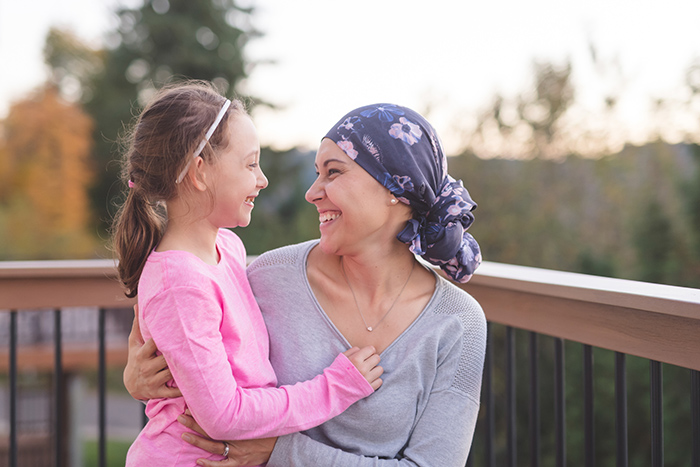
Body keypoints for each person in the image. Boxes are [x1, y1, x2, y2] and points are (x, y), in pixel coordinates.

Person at [125, 103, 487, 466]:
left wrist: (281, 451)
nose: (311, 192)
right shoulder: (269, 276)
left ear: (394, 187)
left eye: (333, 172)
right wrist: (137, 379)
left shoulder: (458, 323)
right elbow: (194, 350)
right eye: (316, 173)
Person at [112, 83, 383, 467]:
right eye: (250, 163)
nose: (262, 179)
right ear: (199, 171)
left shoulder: (228, 248)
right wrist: (333, 388)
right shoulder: (180, 283)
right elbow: (224, 414)